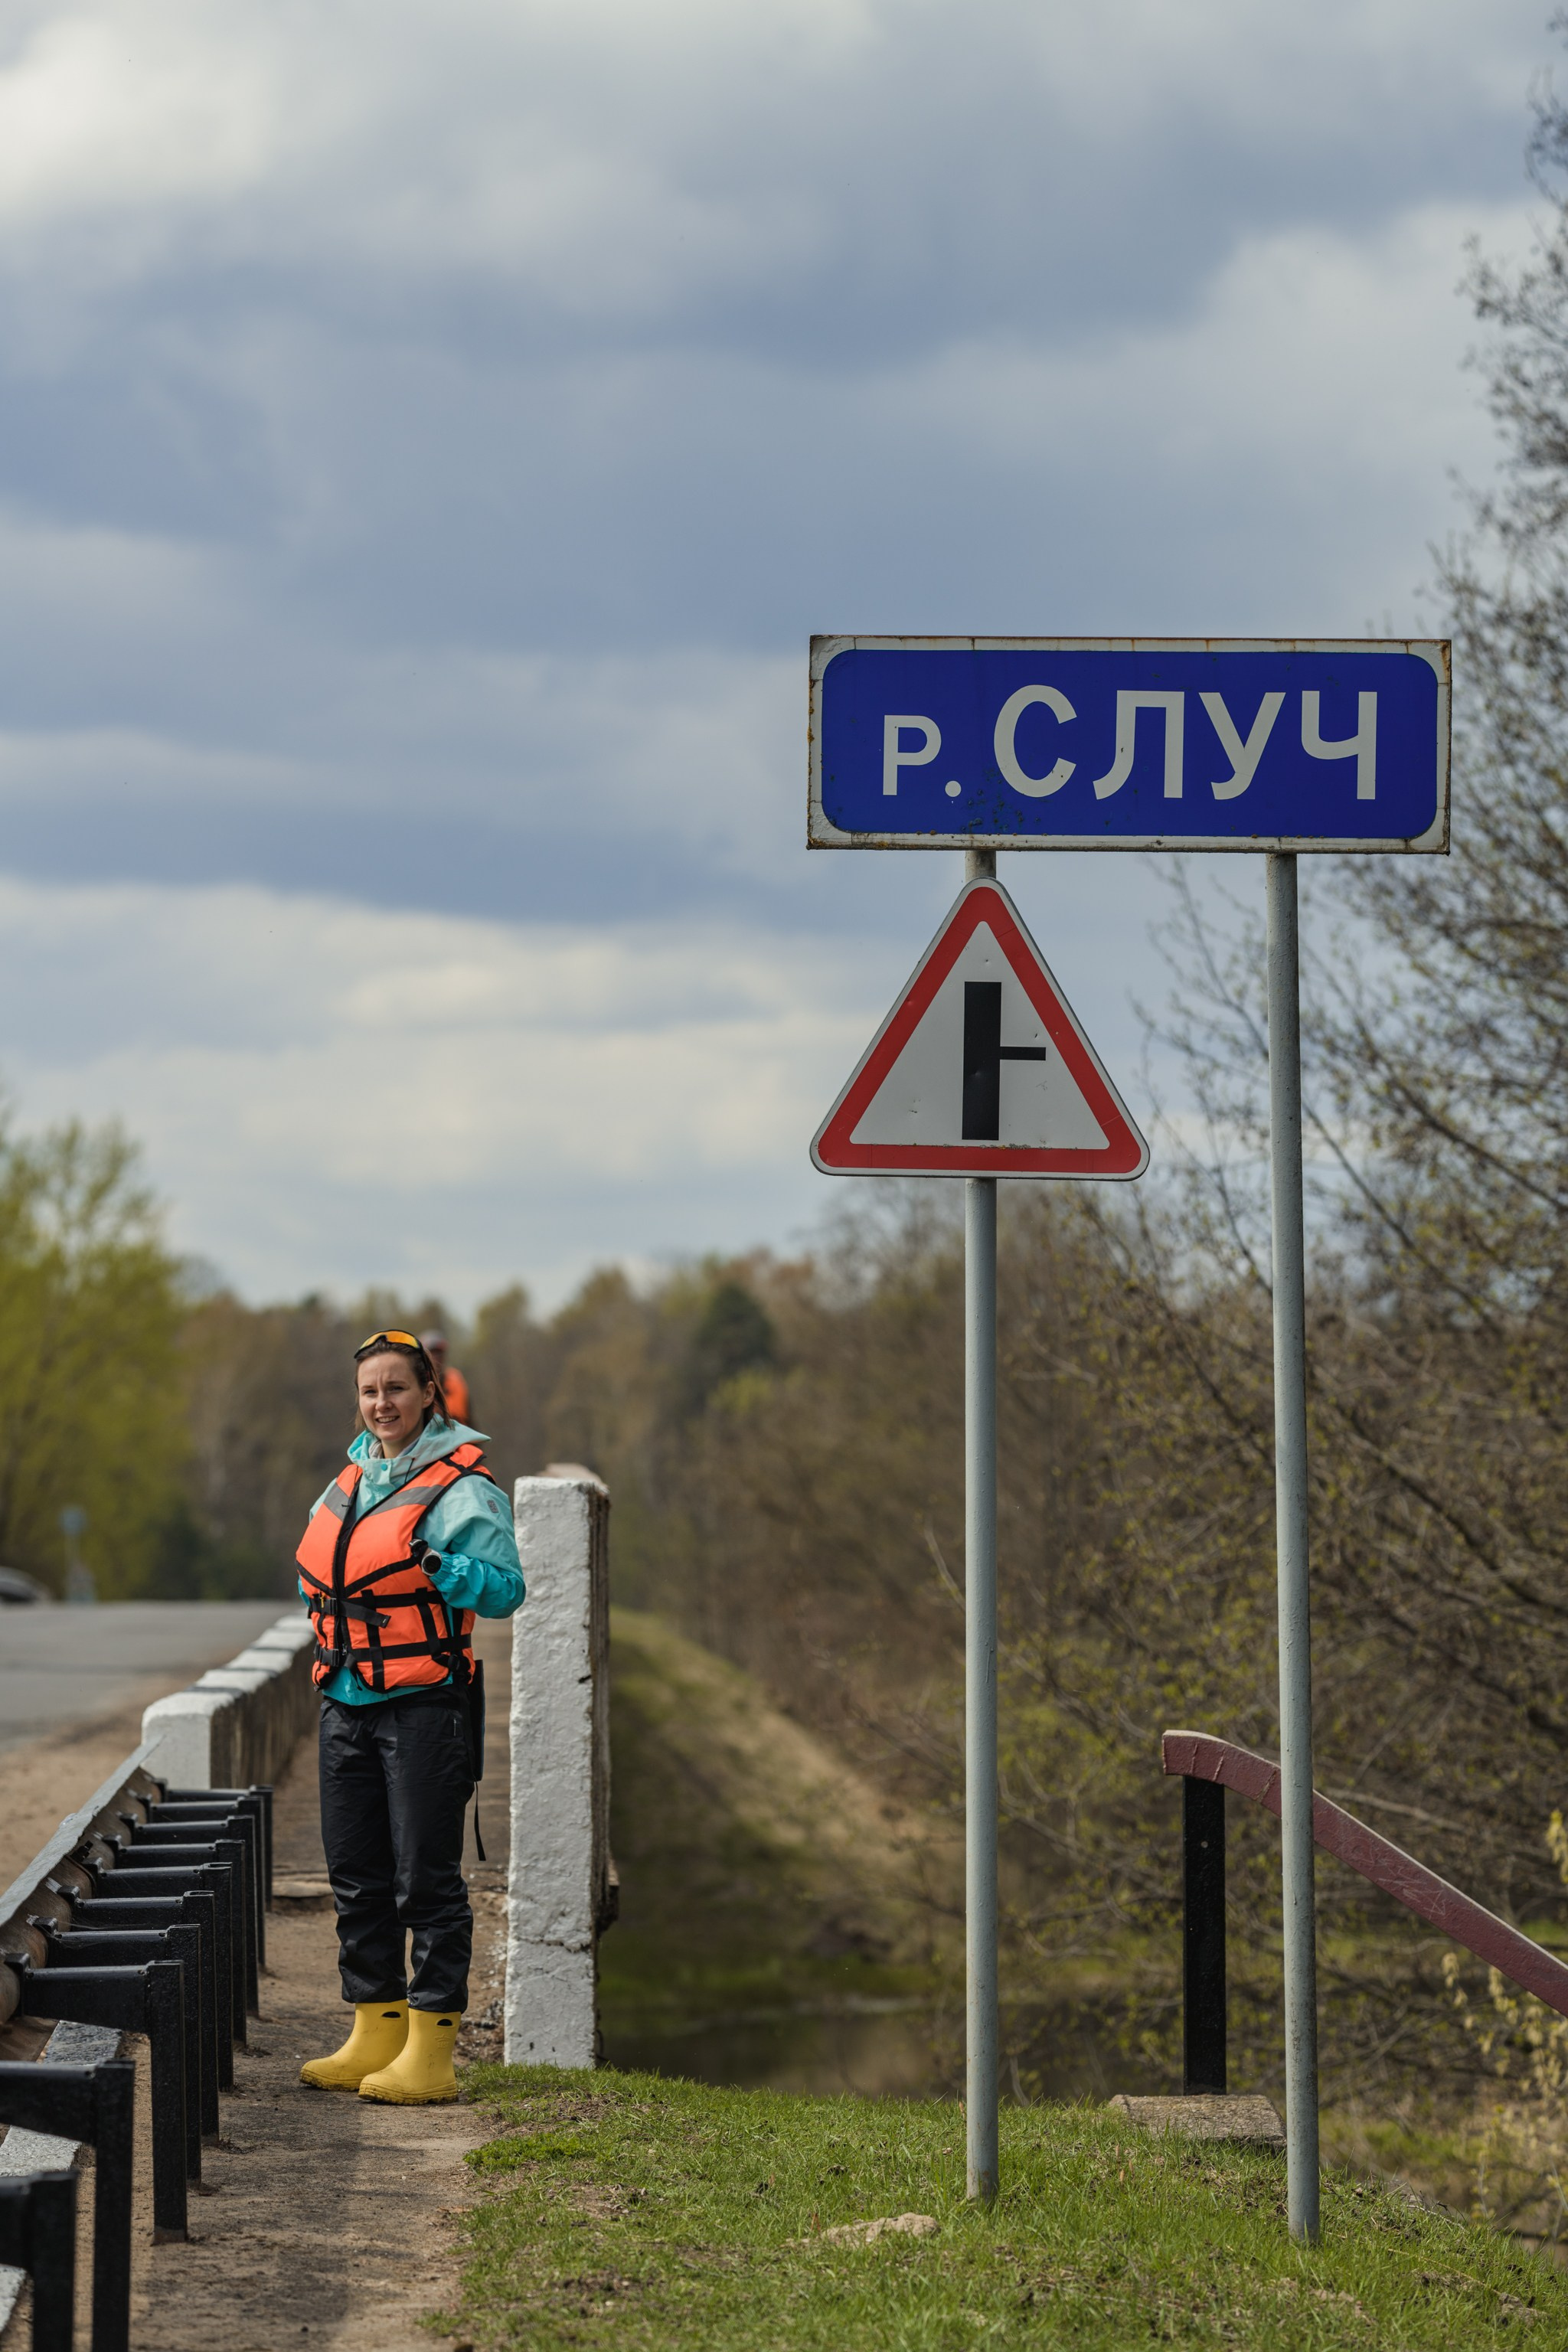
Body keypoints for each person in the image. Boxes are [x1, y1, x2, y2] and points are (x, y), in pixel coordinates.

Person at [295, 1328, 524, 2104]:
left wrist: (441, 1566)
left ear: (430, 1392)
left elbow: (505, 1590)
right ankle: (376, 2030)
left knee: (424, 1880)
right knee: (356, 1878)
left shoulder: (463, 1487)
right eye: (369, 1391)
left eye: (396, 1388)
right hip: (345, 1699)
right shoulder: (349, 1480)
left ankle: (430, 2054)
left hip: (424, 1706)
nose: (382, 1403)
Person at [419, 1328, 471, 1426]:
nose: (437, 1358)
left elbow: (469, 1417)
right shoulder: (419, 1387)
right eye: (432, 1353)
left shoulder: (456, 1380)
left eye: (439, 1353)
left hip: (461, 1432)